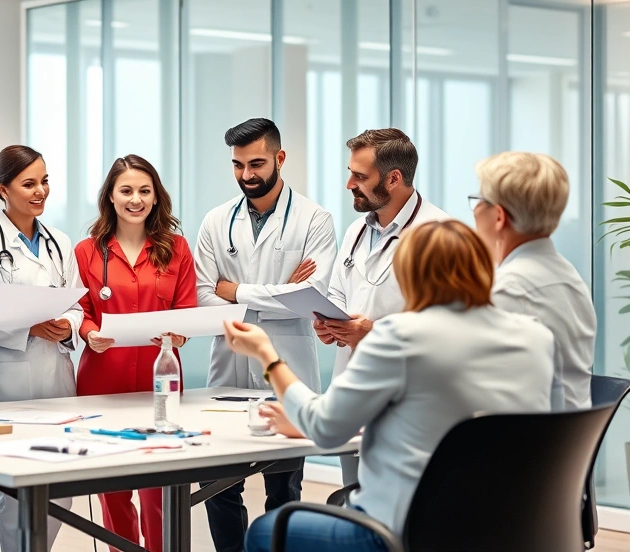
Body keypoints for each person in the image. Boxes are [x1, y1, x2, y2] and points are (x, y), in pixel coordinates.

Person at [227, 220, 554, 552]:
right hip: (510, 527)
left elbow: (323, 428)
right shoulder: (534, 337)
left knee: (265, 531)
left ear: (410, 276)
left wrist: (266, 354)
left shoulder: (401, 335)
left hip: (404, 534)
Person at [194, 118, 337, 552]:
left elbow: (314, 295)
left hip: (287, 376)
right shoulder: (216, 221)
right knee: (218, 489)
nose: (246, 175)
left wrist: (235, 292)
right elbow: (202, 297)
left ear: (280, 158)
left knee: (283, 493)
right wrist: (280, 293)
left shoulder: (315, 220)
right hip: (229, 374)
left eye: (256, 163)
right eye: (238, 165)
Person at [74, 154, 198, 552]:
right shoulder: (87, 252)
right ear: (110, 196)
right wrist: (89, 333)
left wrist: (180, 335)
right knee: (113, 491)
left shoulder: (176, 249)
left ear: (156, 197)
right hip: (101, 381)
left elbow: (187, 311)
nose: (136, 199)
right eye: (126, 190)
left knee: (158, 490)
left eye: (145, 191)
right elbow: (81, 311)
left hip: (159, 382)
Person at [0, 144, 81, 552]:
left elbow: (78, 306)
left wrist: (67, 327)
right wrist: (30, 328)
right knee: (15, 492)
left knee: (61, 483)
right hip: (7, 381)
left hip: (56, 374)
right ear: (2, 188)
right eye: (29, 183)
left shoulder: (60, 242)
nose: (40, 191)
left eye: (45, 181)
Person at [312, 128, 448, 485]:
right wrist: (329, 324)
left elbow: (445, 328)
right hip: (352, 390)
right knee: (353, 502)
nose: (349, 184)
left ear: (394, 178)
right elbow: (340, 295)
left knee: (397, 519)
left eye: (360, 176)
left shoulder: (439, 234)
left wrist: (369, 331)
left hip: (405, 402)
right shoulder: (357, 230)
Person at [472, 151, 595, 409]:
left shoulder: (509, 290)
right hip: (564, 441)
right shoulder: (569, 277)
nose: (474, 211)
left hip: (526, 442)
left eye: (479, 200)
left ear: (498, 217)